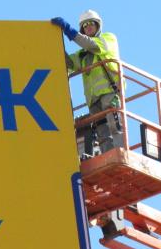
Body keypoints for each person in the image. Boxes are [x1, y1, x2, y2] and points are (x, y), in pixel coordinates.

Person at [51, 10, 123, 156]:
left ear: (98, 26)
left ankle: (120, 152)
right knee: (102, 131)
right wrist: (54, 43)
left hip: (109, 92)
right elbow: (69, 63)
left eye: (91, 24)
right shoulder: (83, 54)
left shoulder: (107, 39)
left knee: (113, 125)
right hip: (93, 99)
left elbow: (91, 44)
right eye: (85, 25)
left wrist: (68, 30)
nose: (88, 27)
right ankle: (108, 156)